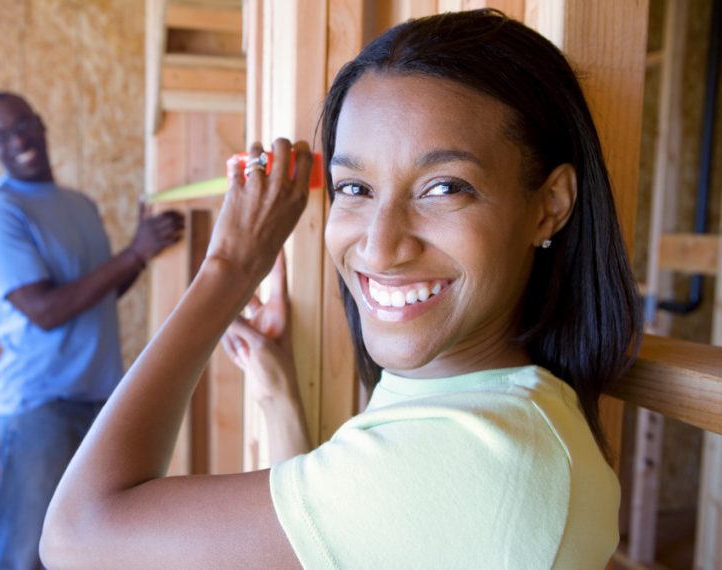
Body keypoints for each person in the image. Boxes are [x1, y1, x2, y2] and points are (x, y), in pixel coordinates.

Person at [40, 9, 642, 569]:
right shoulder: (501, 414)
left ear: (549, 205)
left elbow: (75, 536)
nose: (381, 247)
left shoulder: (475, 458)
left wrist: (229, 264)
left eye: (443, 187)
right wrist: (278, 392)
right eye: (354, 188)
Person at [0, 91, 184, 570]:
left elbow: (97, 295)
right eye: (1, 136)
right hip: (42, 406)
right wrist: (132, 253)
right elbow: (45, 310)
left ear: (42, 125)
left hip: (99, 402)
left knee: (91, 552)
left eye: (24, 124)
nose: (18, 139)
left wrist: (140, 252)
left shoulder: (78, 205)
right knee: (24, 556)